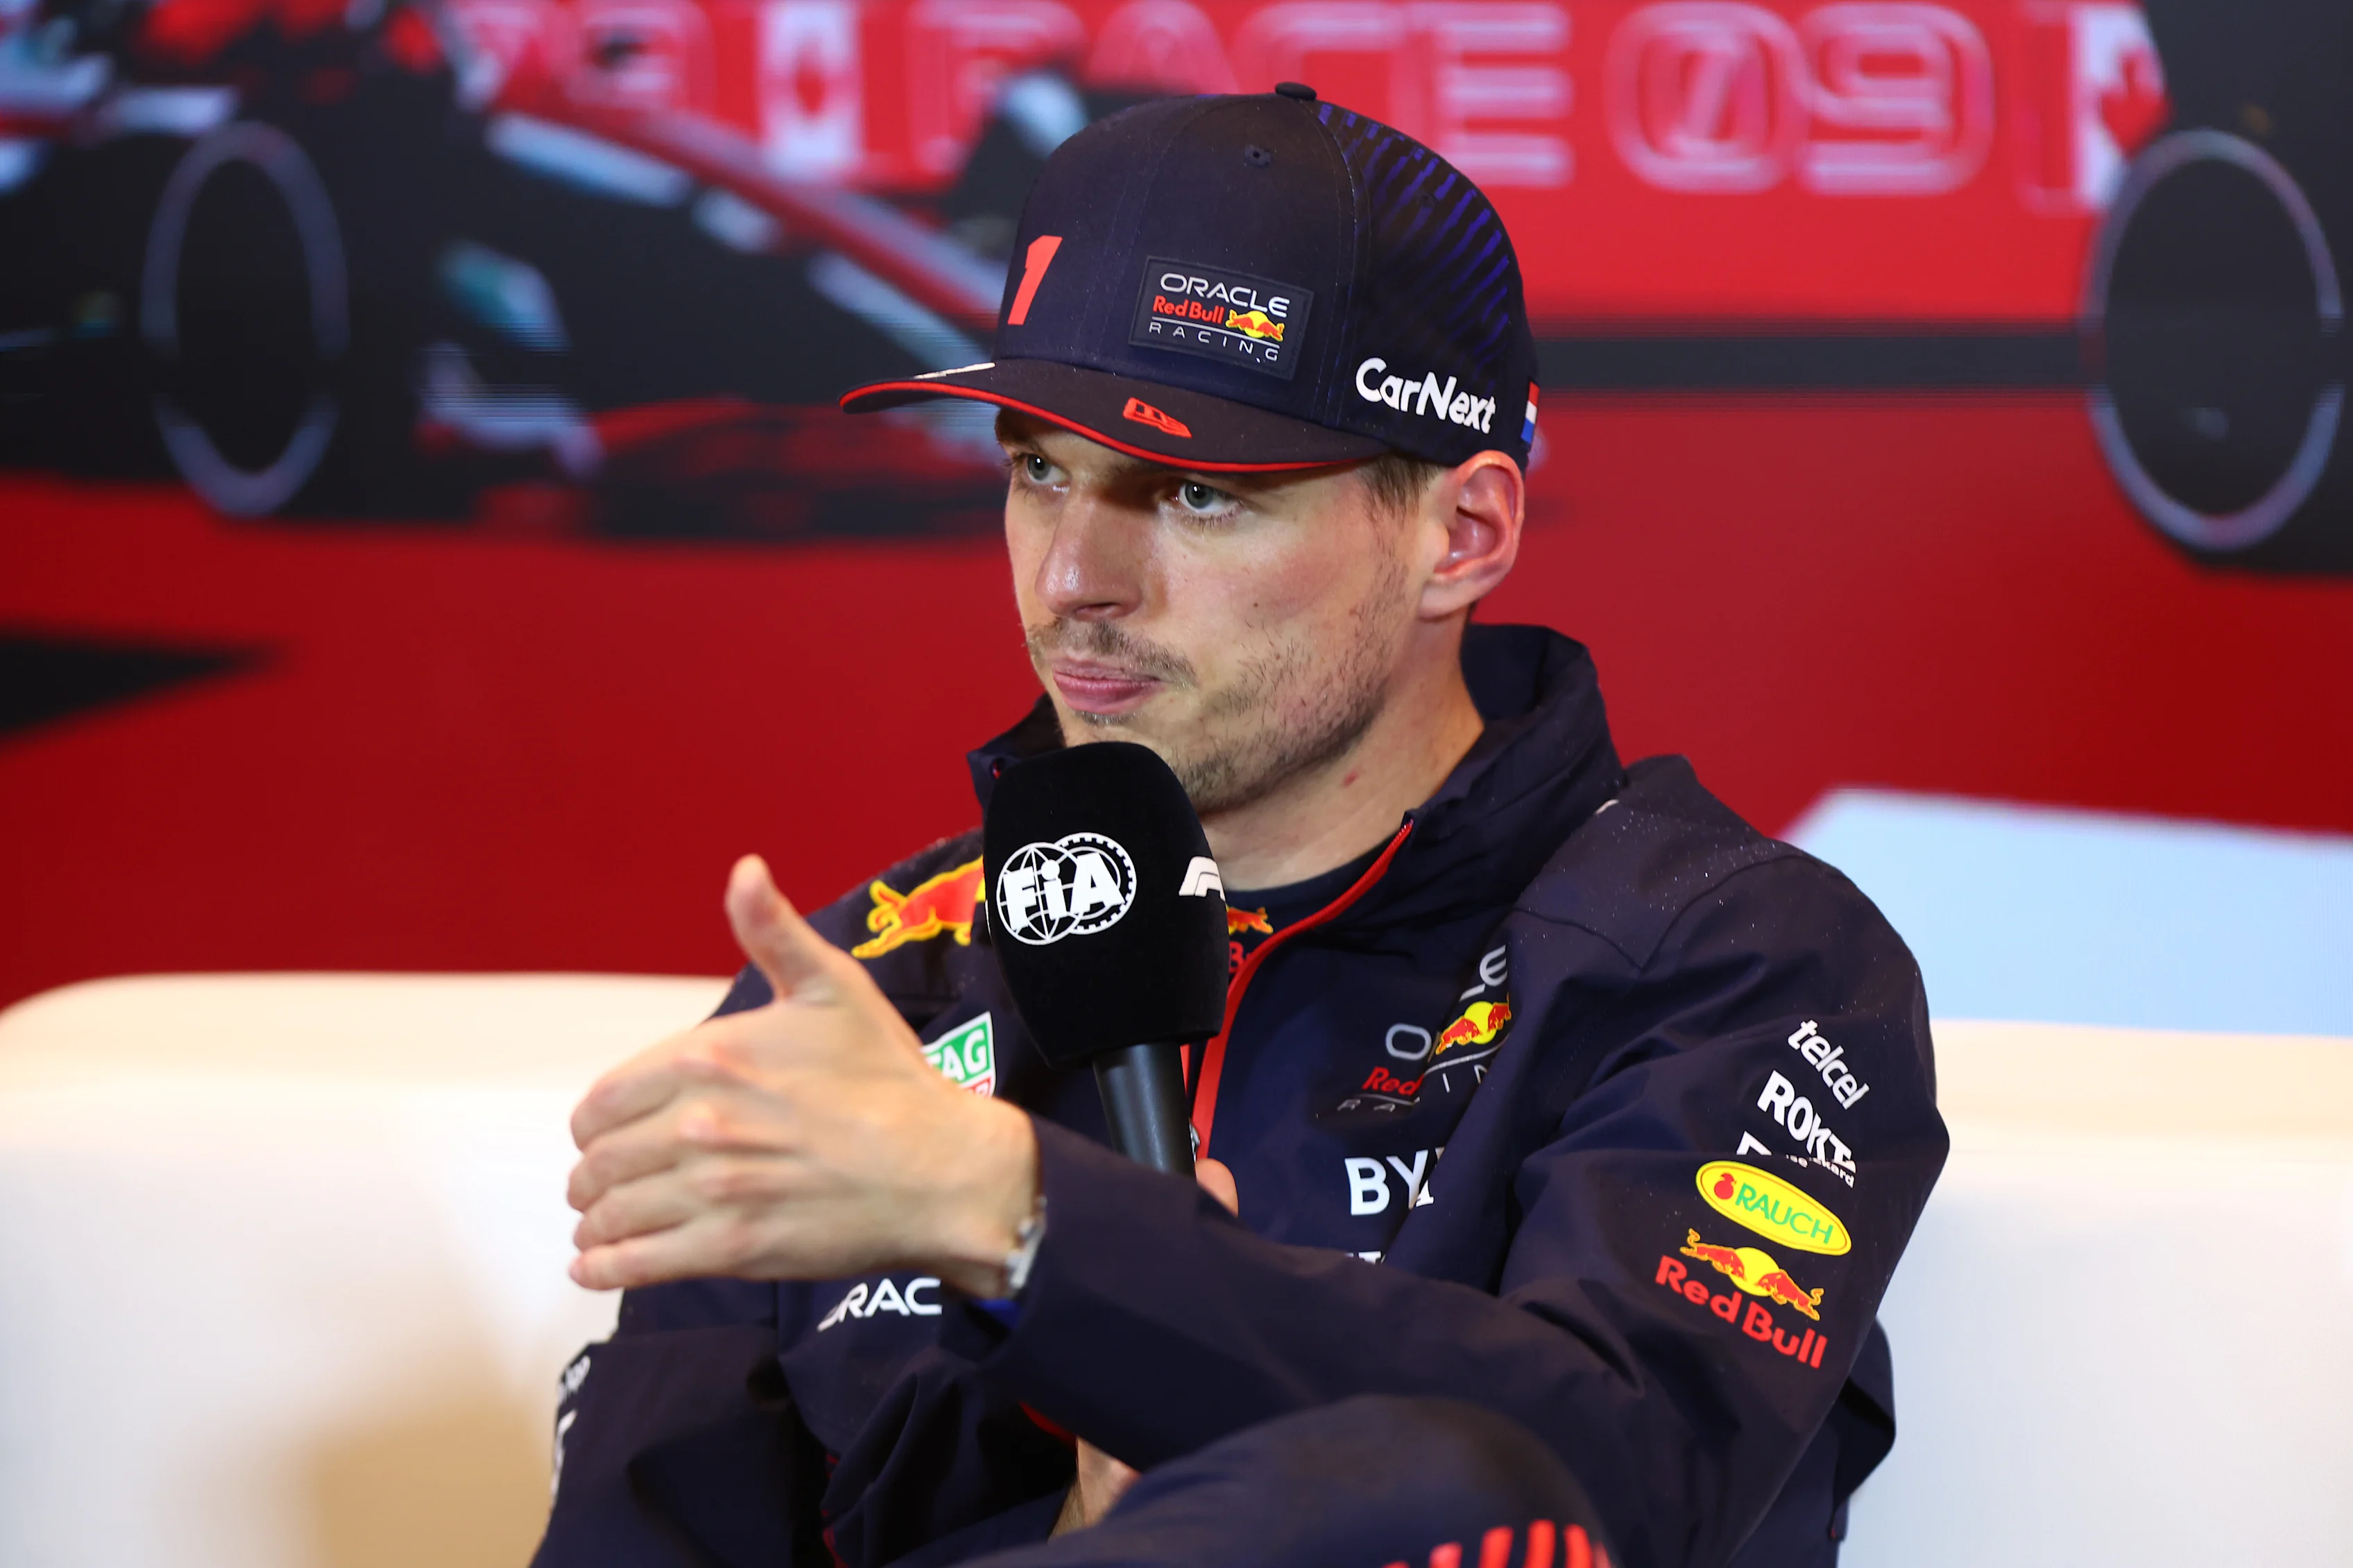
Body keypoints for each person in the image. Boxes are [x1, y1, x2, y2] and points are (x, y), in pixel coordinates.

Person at [535, 84, 1947, 1568]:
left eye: (1197, 492)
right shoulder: (872, 990)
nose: (1074, 574)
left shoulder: (1732, 956)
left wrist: (1026, 1224)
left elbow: (1623, 1485)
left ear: (1458, 535)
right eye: (1035, 469)